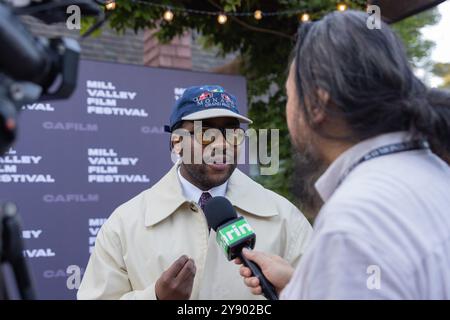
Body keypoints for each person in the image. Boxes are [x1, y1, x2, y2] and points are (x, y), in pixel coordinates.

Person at [236, 10, 450, 299]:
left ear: (317, 103)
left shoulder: (354, 222)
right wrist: (305, 285)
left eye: (290, 96)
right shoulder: (436, 171)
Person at [77, 85, 313, 300]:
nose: (222, 145)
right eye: (206, 134)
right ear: (177, 142)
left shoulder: (285, 218)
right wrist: (156, 297)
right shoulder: (124, 224)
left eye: (232, 134)